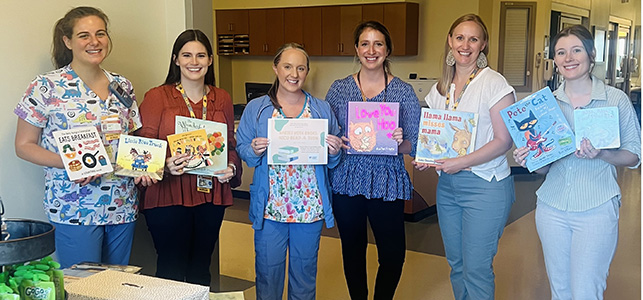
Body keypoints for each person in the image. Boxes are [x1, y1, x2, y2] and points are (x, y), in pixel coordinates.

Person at [513, 25, 640, 300]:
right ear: (555, 61)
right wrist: (529, 159)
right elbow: (547, 166)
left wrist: (603, 154)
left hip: (596, 207)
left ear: (591, 54)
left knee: (586, 292)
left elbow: (634, 155)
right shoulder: (545, 105)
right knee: (559, 291)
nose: (568, 57)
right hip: (551, 207)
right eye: (561, 52)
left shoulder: (614, 100)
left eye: (576, 50)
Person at [14, 6, 146, 268]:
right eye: (84, 35)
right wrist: (70, 162)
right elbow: (23, 146)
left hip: (122, 203)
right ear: (68, 41)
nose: (94, 42)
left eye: (100, 33)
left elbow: (132, 139)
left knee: (119, 284)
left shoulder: (122, 85)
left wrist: (144, 166)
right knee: (83, 289)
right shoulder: (46, 86)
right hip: (73, 206)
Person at [413, 14, 516, 300]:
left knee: (477, 269)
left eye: (473, 39)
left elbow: (503, 140)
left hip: (486, 185)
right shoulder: (440, 89)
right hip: (448, 188)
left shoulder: (494, 83)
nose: (466, 45)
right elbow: (438, 143)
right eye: (460, 37)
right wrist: (428, 158)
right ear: (450, 41)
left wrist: (459, 162)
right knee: (457, 265)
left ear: (483, 45)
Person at [236, 43, 343, 300]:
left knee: (304, 274)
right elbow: (242, 149)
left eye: (300, 68)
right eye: (287, 66)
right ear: (275, 68)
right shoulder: (257, 108)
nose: (293, 74)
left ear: (307, 72)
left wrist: (335, 150)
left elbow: (334, 158)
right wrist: (253, 149)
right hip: (270, 207)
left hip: (309, 207)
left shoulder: (320, 109)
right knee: (267, 273)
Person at [135, 29, 241, 286]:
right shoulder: (156, 97)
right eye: (187, 55)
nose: (194, 61)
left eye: (201, 55)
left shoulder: (221, 97)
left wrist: (232, 167)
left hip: (210, 195)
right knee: (171, 267)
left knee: (201, 268)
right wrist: (165, 165)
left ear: (210, 60)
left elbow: (230, 145)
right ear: (176, 60)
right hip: (168, 196)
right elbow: (141, 150)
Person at [325, 21, 421, 300]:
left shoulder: (403, 93)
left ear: (387, 50)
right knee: (352, 252)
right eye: (365, 43)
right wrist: (335, 142)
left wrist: (399, 140)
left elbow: (414, 144)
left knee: (392, 255)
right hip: (346, 181)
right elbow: (327, 134)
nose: (371, 50)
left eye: (378, 43)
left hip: (386, 182)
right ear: (356, 49)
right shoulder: (339, 90)